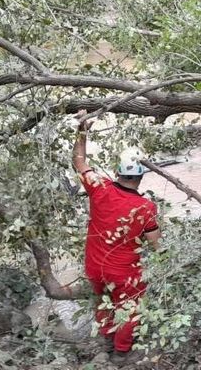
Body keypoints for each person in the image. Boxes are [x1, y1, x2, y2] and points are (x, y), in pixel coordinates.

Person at [72, 110, 161, 365]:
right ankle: (121, 352)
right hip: (124, 271)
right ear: (142, 176)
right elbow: (156, 243)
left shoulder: (99, 187)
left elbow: (78, 160)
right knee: (131, 308)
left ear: (117, 172)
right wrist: (164, 260)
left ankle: (105, 338)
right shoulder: (146, 208)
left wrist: (82, 129)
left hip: (94, 266)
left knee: (102, 300)